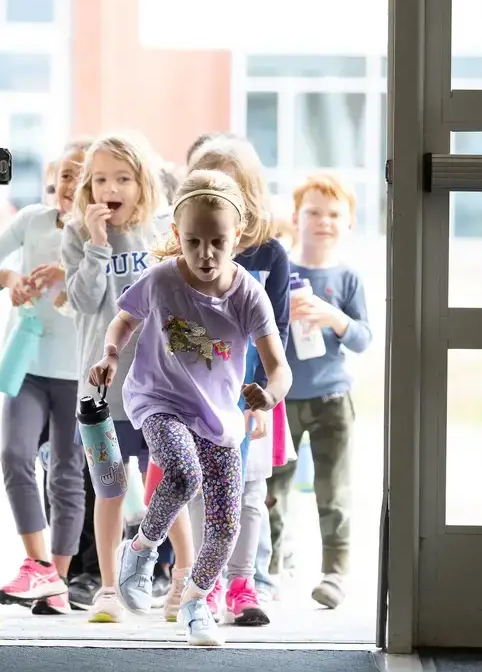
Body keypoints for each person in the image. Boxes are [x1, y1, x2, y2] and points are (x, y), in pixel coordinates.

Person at [87, 169, 292, 646]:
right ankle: (141, 549)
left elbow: (279, 368)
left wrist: (270, 394)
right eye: (193, 241)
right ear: (177, 235)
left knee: (226, 525)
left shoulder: (248, 294)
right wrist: (111, 354)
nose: (205, 254)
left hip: (218, 417)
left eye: (217, 242)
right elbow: (122, 321)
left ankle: (197, 601)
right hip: (159, 400)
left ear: (236, 237)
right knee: (183, 473)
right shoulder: (161, 280)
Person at [60, 131, 195, 623]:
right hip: (100, 395)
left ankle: (183, 576)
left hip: (158, 391)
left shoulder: (164, 231)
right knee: (110, 490)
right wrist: (97, 245)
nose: (109, 188)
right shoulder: (77, 234)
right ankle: (109, 588)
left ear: (143, 182)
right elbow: (83, 302)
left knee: (168, 484)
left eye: (122, 178)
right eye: (99, 180)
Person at [182, 133, 290, 626]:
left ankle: (244, 583)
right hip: (201, 397)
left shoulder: (270, 256)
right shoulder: (181, 258)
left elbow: (278, 332)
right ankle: (208, 581)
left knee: (248, 491)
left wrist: (263, 400)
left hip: (255, 395)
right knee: (205, 489)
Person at [266, 173, 372, 609]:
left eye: (333, 214)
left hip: (332, 400)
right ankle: (268, 569)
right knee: (272, 489)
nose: (323, 221)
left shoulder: (347, 279)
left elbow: (364, 338)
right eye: (313, 212)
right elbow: (256, 328)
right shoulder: (280, 271)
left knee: (333, 491)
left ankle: (335, 572)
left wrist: (335, 318)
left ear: (348, 223)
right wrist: (281, 314)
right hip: (282, 400)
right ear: (295, 218)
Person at [0, 142, 87, 615]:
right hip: (27, 363)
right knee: (13, 455)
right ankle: (39, 567)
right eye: (63, 175)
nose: (69, 184)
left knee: (67, 474)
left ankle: (58, 583)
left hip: (77, 372)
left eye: (81, 175)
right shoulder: (31, 219)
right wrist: (11, 280)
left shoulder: (100, 238)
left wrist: (67, 275)